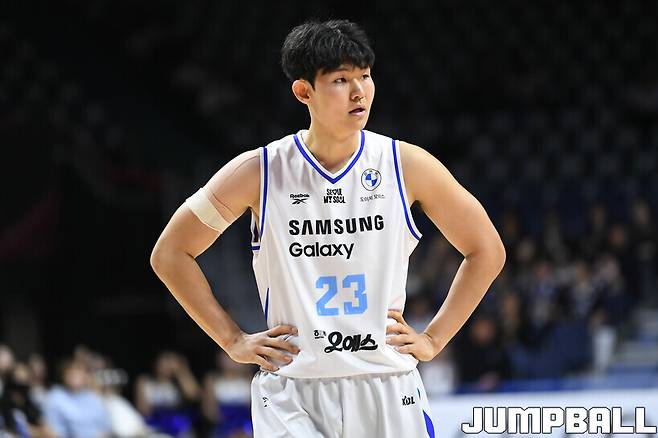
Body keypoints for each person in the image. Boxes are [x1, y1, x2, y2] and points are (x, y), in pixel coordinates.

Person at [150, 19, 505, 437]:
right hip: (292, 389)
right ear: (304, 92)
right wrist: (232, 340)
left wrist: (435, 338)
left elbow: (487, 249)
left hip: (386, 383)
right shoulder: (259, 172)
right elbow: (170, 253)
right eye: (340, 80)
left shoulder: (406, 165)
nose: (359, 91)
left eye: (365, 76)